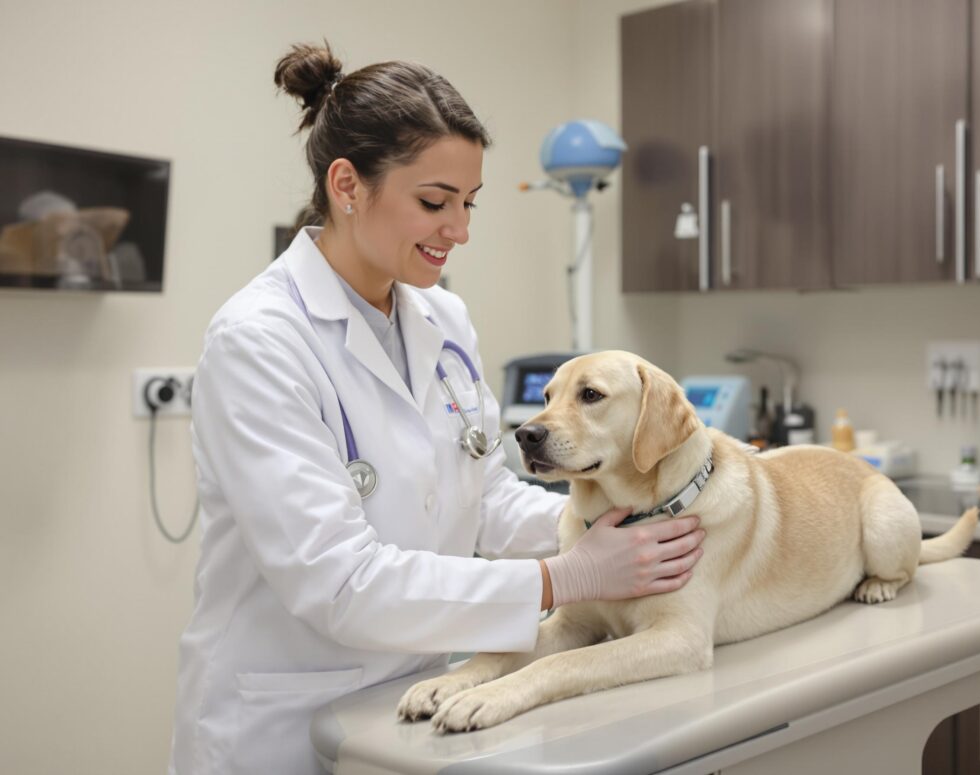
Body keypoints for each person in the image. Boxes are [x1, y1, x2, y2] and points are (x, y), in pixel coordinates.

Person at [168, 42, 705, 775]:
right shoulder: (258, 341)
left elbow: (483, 499)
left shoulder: (443, 320)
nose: (460, 230)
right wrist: (567, 576)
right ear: (347, 183)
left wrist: (625, 526)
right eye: (434, 201)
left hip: (410, 708)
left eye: (468, 202)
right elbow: (340, 583)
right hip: (279, 723)